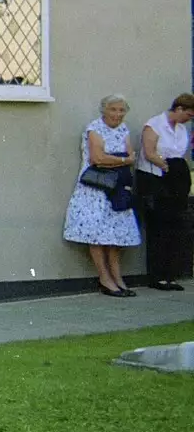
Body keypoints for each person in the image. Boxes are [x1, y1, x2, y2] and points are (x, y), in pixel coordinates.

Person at [63, 94, 142, 296]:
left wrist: (116, 159)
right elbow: (97, 158)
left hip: (117, 188)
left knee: (116, 234)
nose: (117, 114)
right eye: (113, 109)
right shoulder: (94, 129)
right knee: (97, 234)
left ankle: (117, 277)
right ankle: (104, 278)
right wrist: (122, 160)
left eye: (121, 110)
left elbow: (131, 156)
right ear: (104, 110)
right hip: (96, 188)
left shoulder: (124, 129)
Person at [139, 94, 194, 290]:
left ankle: (171, 274)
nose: (188, 119)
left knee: (174, 226)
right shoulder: (154, 125)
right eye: (187, 114)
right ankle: (157, 276)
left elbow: (180, 154)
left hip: (174, 181)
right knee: (158, 228)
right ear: (178, 109)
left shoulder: (181, 130)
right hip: (155, 179)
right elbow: (149, 152)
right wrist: (168, 167)